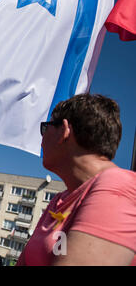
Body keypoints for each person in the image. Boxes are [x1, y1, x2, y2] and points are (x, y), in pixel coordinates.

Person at [17, 94, 135, 266]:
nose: (41, 140)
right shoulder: (59, 200)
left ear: (64, 131)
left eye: (45, 128)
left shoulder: (120, 188)